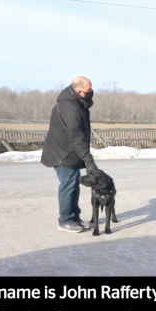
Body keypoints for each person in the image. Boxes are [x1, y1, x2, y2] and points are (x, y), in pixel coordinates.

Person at [41, 76, 99, 233]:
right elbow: (76, 136)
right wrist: (89, 162)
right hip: (62, 152)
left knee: (74, 185)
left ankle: (75, 218)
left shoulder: (77, 103)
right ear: (78, 91)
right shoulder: (68, 107)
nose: (91, 92)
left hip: (71, 151)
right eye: (88, 90)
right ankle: (65, 220)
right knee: (68, 185)